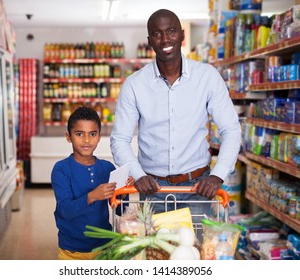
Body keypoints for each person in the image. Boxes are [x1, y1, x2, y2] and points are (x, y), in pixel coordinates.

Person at [110, 9, 241, 228]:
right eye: (157, 34)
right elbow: (119, 140)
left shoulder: (207, 77)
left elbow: (231, 130)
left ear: (181, 35)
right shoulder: (134, 85)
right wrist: (138, 174)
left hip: (198, 189)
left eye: (171, 31)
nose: (165, 39)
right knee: (154, 255)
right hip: (151, 190)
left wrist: (217, 175)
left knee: (196, 253)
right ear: (150, 40)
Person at [51, 106, 134, 260]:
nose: (87, 140)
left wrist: (123, 193)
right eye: (79, 134)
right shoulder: (61, 169)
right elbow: (64, 210)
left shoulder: (107, 168)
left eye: (93, 134)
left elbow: (120, 211)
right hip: (71, 250)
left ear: (99, 136)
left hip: (104, 247)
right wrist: (93, 196)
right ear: (68, 137)